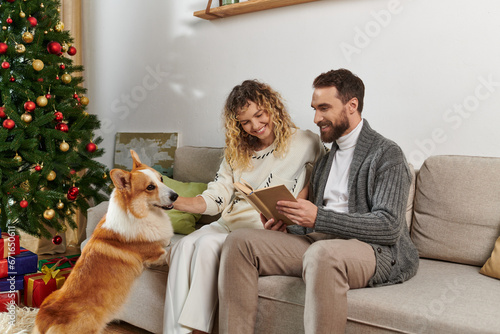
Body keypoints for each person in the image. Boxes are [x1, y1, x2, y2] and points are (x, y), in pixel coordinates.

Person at [218, 69, 419, 334]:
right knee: (240, 241)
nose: (316, 118)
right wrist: (287, 224)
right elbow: (310, 220)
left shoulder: (386, 154)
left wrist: (319, 218)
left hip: (373, 250)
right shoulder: (326, 159)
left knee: (321, 254)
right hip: (319, 242)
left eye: (324, 108)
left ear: (352, 105)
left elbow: (389, 226)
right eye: (314, 108)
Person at [163, 79, 324, 334]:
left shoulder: (306, 142)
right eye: (245, 122)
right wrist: (175, 202)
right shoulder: (236, 150)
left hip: (257, 233)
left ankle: (197, 331)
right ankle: (172, 332)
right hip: (227, 224)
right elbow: (217, 197)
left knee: (204, 246)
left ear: (273, 108)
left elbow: (319, 183)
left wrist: (298, 208)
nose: (255, 126)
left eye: (259, 115)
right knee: (183, 247)